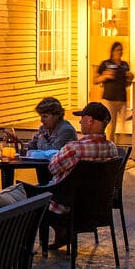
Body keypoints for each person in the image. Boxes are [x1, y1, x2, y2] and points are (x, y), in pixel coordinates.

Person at [38, 102, 123, 249]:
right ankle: (62, 234)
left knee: (32, 196)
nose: (79, 121)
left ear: (90, 120)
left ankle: (26, 248)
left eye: (82, 118)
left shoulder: (74, 149)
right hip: (98, 206)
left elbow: (52, 168)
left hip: (68, 205)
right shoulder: (112, 149)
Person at [94, 43, 133, 141]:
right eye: (117, 50)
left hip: (122, 98)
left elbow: (127, 84)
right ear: (112, 51)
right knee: (111, 125)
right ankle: (110, 145)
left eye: (121, 50)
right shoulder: (106, 64)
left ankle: (122, 146)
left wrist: (130, 79)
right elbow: (95, 80)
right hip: (109, 99)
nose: (120, 52)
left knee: (124, 126)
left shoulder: (125, 65)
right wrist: (105, 76)